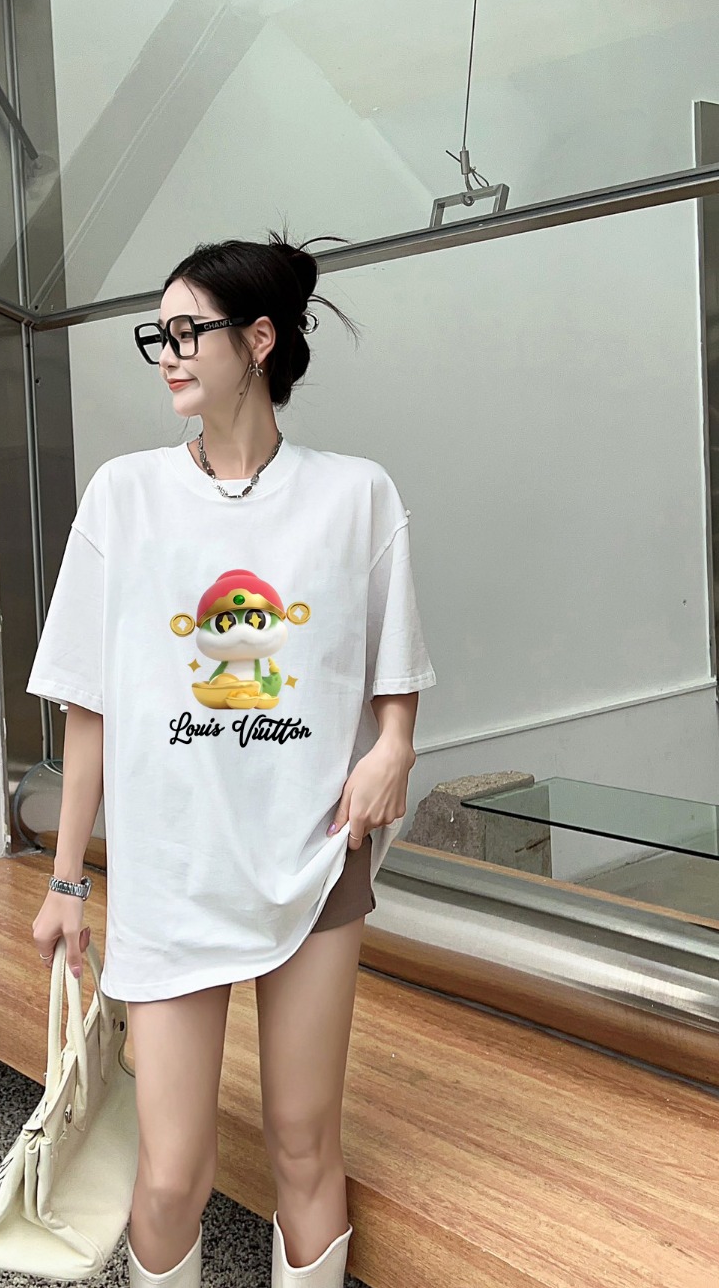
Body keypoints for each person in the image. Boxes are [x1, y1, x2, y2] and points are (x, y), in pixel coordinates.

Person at [26, 230, 436, 1288]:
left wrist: (394, 745)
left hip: (316, 854)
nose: (167, 352)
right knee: (173, 1172)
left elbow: (394, 671)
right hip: (173, 869)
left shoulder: (356, 495)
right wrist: (68, 879)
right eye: (156, 335)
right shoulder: (123, 496)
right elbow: (88, 703)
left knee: (304, 1145)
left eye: (186, 331)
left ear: (258, 340)